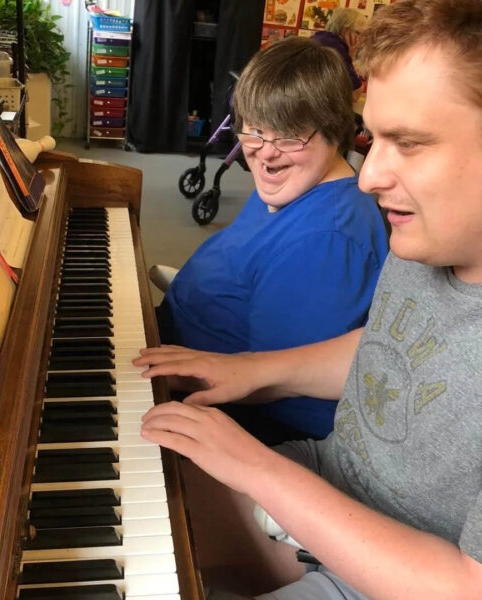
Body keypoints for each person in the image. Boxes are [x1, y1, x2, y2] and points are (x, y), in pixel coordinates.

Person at [136, 1, 482, 598]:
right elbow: (389, 350)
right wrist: (248, 371)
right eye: (374, 139)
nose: (368, 177)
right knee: (116, 498)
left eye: (410, 143)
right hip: (325, 479)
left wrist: (258, 468)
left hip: (402, 572)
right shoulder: (420, 242)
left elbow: (465, 585)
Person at [157, 37, 388, 444]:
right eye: (254, 129)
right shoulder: (294, 186)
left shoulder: (327, 239)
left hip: (225, 415)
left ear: (334, 131)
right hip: (175, 344)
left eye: (288, 136)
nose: (264, 153)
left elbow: (274, 389)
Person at [312, 8, 367, 102]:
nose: (361, 39)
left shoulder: (319, 37)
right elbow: (355, 94)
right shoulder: (336, 49)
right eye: (358, 33)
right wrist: (351, 55)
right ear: (345, 31)